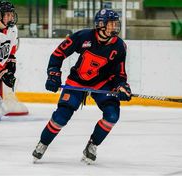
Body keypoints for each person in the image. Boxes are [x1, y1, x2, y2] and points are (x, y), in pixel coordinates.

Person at [32, 9, 132, 164]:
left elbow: (120, 73)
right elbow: (58, 54)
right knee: (61, 117)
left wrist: (121, 86)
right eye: (111, 24)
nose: (114, 27)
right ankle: (43, 143)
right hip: (77, 81)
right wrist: (53, 74)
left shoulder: (119, 46)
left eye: (115, 23)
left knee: (112, 115)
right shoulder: (83, 36)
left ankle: (92, 145)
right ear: (100, 25)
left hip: (101, 83)